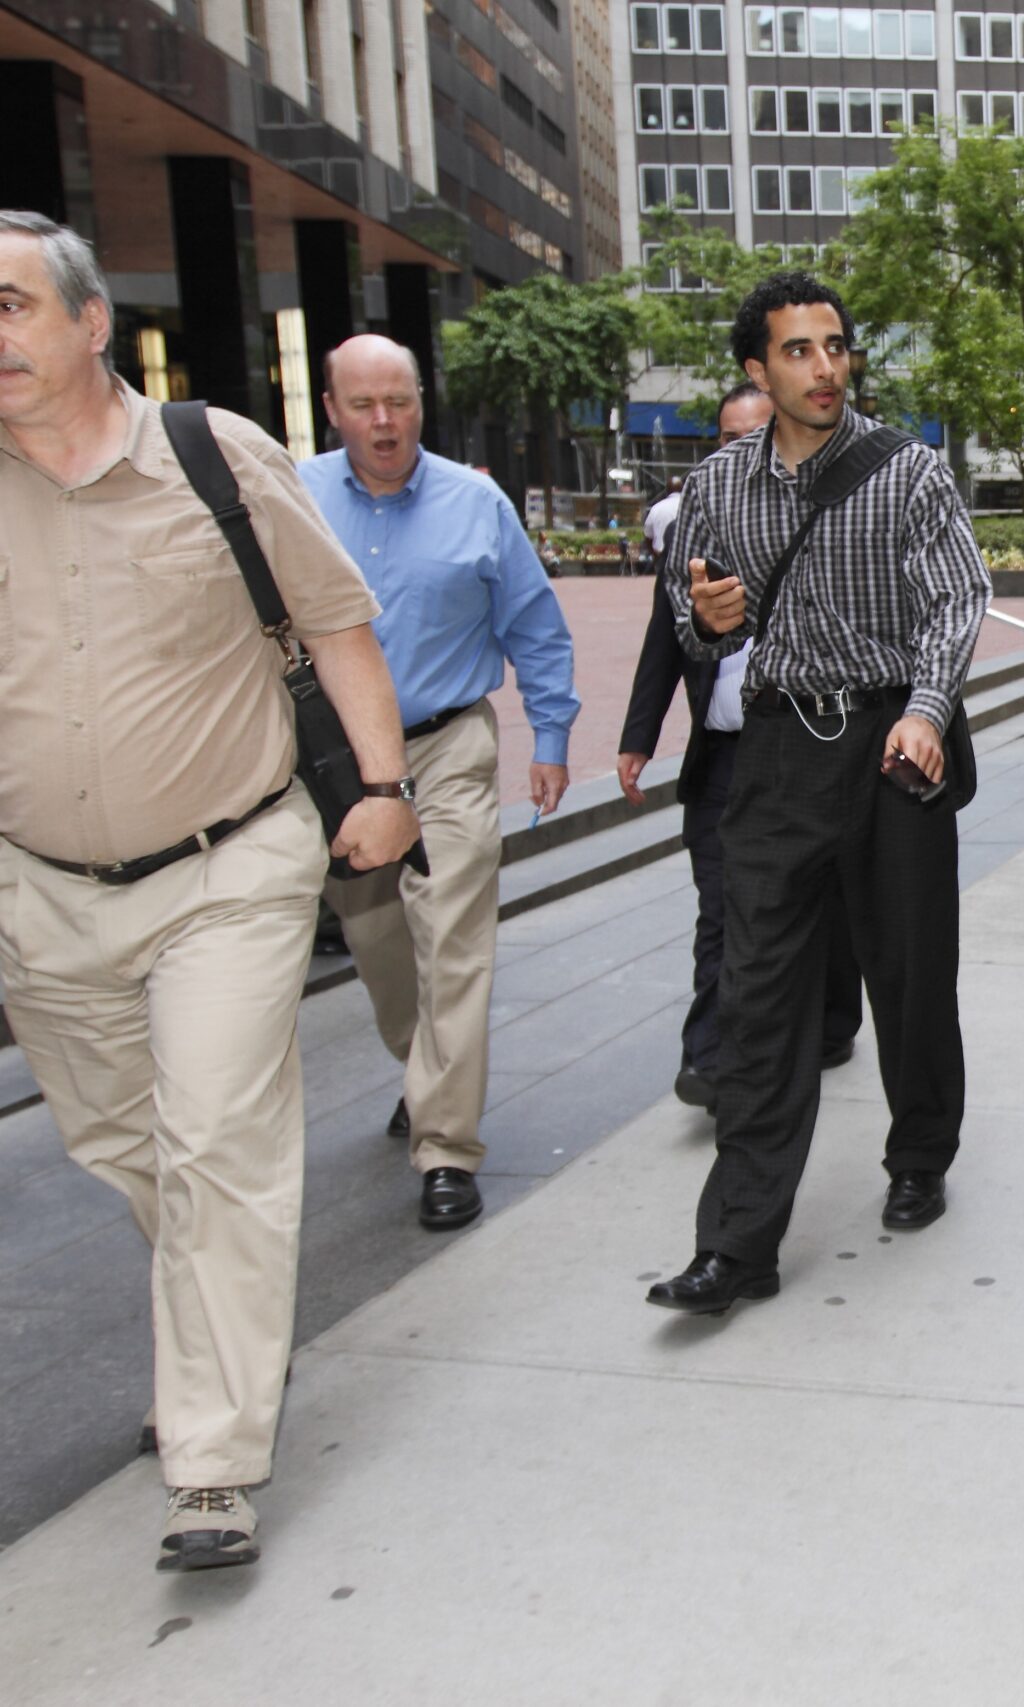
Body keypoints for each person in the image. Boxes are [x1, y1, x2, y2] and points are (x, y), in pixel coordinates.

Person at [0, 211, 420, 1570]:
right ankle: (212, 1336)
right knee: (131, 1147)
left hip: (227, 866)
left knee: (222, 1147)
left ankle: (215, 1457)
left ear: (85, 320)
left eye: (8, 305)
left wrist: (382, 781)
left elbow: (337, 624)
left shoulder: (215, 456)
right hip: (40, 890)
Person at [645, 271, 991, 1316]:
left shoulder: (909, 473)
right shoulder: (718, 484)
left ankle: (921, 1150)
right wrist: (706, 618)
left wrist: (927, 712)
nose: (824, 367)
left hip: (893, 744)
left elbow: (957, 598)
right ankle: (739, 1245)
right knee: (757, 996)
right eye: (798, 351)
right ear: (757, 368)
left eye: (835, 346)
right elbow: (689, 613)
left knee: (910, 974)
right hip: (782, 748)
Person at [300, 333, 581, 1233]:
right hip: (340, 766)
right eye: (364, 405)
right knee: (379, 945)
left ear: (423, 402)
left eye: (402, 402)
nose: (385, 424)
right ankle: (424, 1068)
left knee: (455, 942)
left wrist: (551, 734)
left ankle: (447, 1146)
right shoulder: (292, 500)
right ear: (332, 406)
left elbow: (535, 625)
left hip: (448, 749)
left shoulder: (477, 502)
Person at [617, 382, 862, 1107]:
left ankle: (830, 1016)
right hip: (724, 756)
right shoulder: (695, 531)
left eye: (758, 431)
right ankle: (711, 1055)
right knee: (722, 905)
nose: (742, 446)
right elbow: (665, 637)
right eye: (728, 436)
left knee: (824, 898)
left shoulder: (825, 519)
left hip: (809, 747)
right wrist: (638, 736)